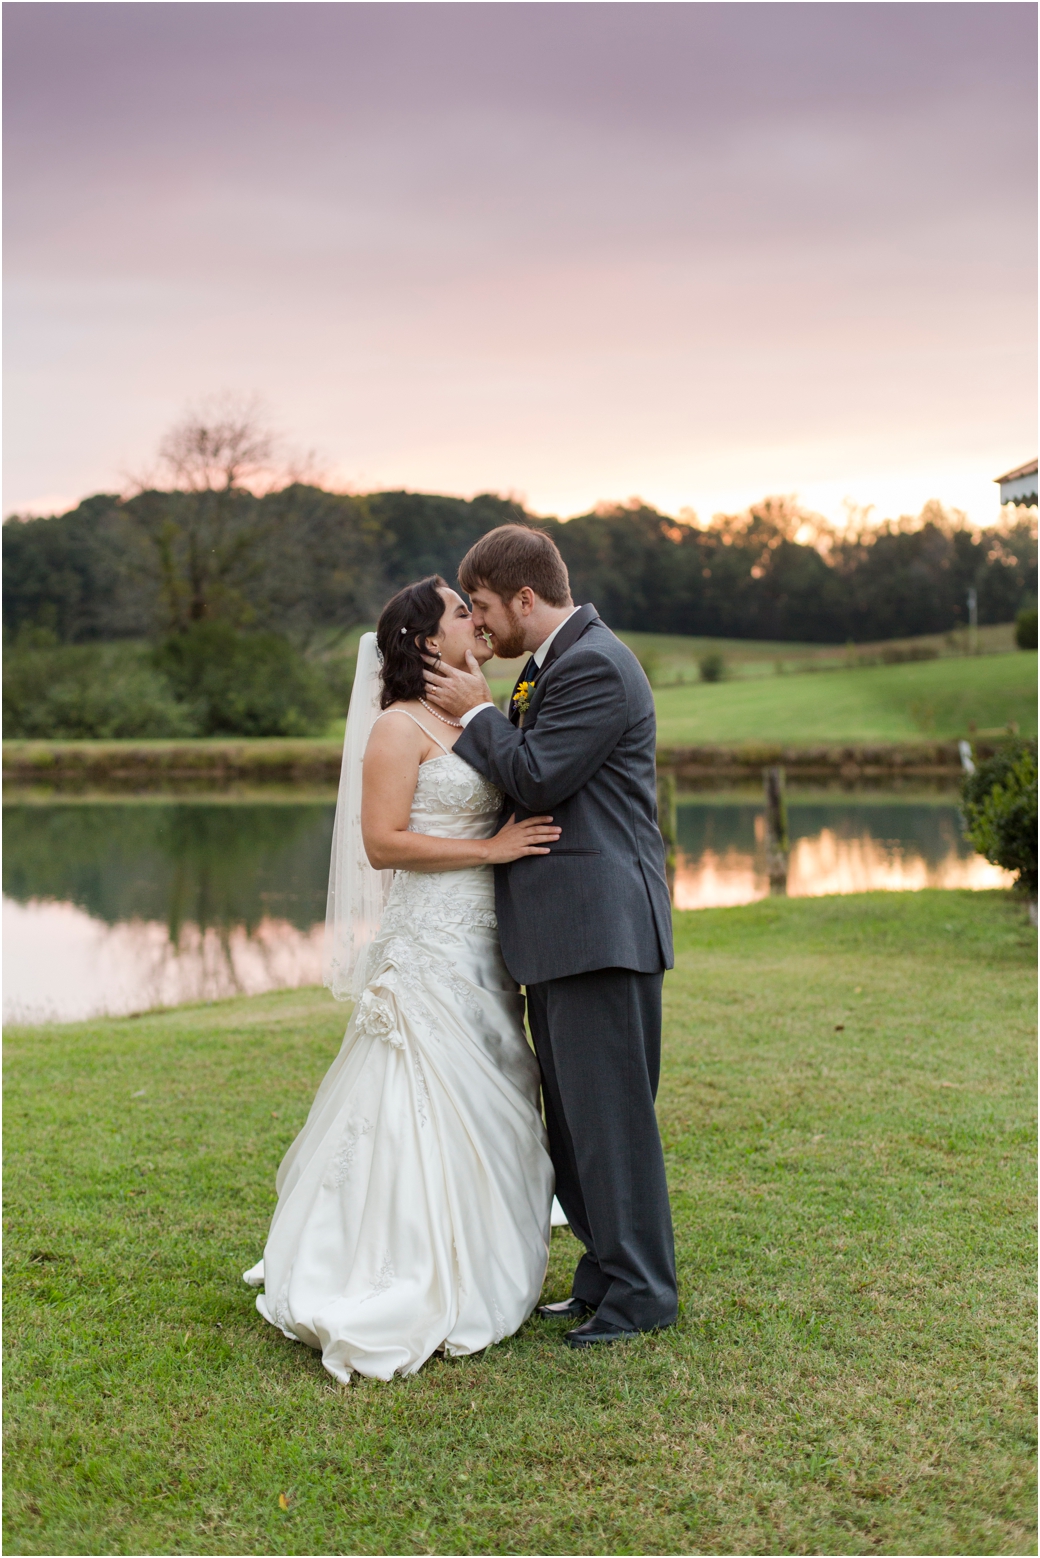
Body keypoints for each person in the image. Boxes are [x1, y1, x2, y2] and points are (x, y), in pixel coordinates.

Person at [244, 575, 560, 1383]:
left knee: (501, 1079)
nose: (477, 620)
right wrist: (490, 851)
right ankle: (395, 1263)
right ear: (425, 642)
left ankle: (487, 1241)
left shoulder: (481, 716)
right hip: (429, 940)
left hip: (488, 940)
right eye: (462, 611)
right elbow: (382, 843)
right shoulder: (396, 727)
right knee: (414, 1090)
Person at [423, 524, 678, 1348]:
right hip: (565, 933)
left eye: (488, 607)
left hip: (603, 929)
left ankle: (643, 1295)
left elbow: (537, 777)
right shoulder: (551, 667)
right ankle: (603, 1276)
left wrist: (477, 715)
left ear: (526, 598)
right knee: (574, 1124)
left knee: (613, 1123)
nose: (483, 625)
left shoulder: (597, 665)